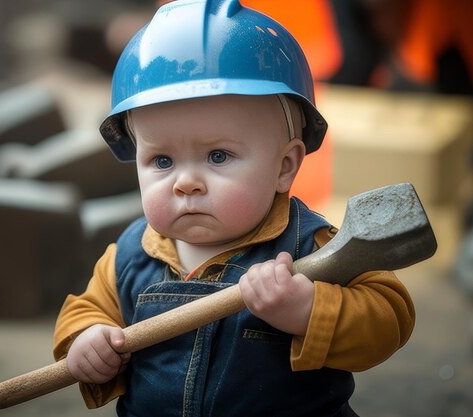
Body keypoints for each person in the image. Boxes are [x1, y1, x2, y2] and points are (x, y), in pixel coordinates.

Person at [53, 1, 415, 416]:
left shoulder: (313, 249)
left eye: (219, 156)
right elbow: (85, 309)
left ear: (284, 167)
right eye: (162, 161)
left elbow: (389, 317)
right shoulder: (130, 256)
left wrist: (307, 309)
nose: (184, 182)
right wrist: (86, 340)